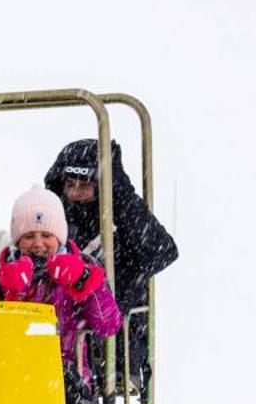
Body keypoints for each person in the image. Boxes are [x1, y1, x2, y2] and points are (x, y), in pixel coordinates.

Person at [43, 138, 176, 389]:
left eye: (85, 185)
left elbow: (160, 252)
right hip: (63, 338)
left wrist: (120, 195)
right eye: (70, 185)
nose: (77, 193)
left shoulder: (123, 221)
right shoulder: (55, 222)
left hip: (113, 343)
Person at [0, 189, 123, 404]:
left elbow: (108, 324)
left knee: (62, 389)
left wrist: (84, 280)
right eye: (28, 236)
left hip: (67, 375)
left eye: (46, 235)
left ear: (59, 237)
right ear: (17, 241)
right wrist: (5, 288)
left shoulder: (82, 269)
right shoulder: (3, 274)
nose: (38, 244)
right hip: (12, 373)